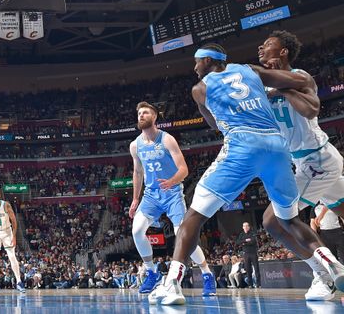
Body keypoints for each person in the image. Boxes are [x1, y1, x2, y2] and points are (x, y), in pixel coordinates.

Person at [149, 44, 344, 305]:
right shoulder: (250, 70)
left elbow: (214, 124)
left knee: (193, 215)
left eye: (197, 62)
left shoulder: (200, 89)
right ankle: (330, 262)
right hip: (277, 148)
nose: (194, 67)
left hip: (243, 146)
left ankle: (171, 284)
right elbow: (298, 80)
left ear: (207, 61)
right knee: (288, 220)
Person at [258, 30, 344, 300]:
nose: (261, 48)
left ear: (283, 52)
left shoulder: (301, 76)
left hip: (316, 160)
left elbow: (309, 110)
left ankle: (324, 275)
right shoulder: (264, 88)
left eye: (268, 45)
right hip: (308, 162)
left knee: (273, 221)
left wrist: (281, 87)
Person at [128, 101, 216, 296]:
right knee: (137, 230)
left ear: (155, 117)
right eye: (139, 113)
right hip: (151, 195)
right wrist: (135, 199)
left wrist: (171, 181)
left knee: (181, 233)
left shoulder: (167, 139)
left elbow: (184, 169)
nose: (141, 115)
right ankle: (152, 272)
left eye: (145, 112)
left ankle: (207, 274)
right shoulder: (135, 145)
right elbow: (137, 172)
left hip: (172, 192)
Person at [236, 222, 260, 288]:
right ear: (243, 227)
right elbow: (238, 242)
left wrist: (243, 243)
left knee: (256, 269)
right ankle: (250, 284)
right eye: (244, 226)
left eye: (247, 226)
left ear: (249, 227)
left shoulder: (252, 233)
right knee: (248, 270)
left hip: (253, 253)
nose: (246, 227)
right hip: (246, 254)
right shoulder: (241, 234)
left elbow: (253, 241)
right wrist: (246, 240)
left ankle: (258, 284)